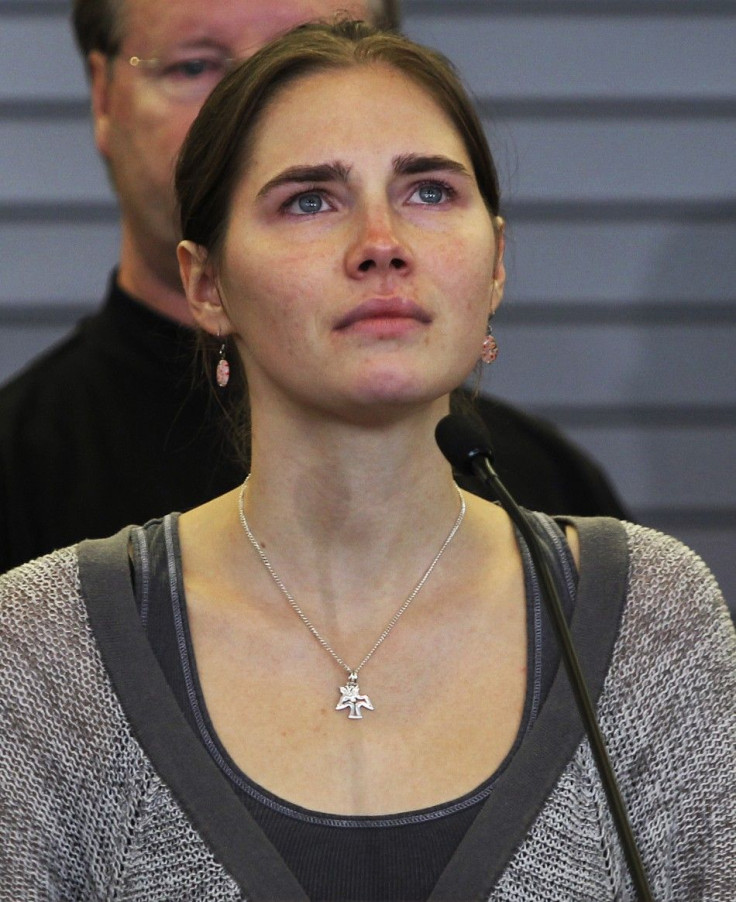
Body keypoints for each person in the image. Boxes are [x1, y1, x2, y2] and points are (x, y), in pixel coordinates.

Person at [1, 21, 733, 900]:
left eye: (429, 192)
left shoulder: (654, 617)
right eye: (310, 199)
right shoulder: (46, 646)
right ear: (207, 285)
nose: (382, 243)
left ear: (496, 262)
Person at [0, 0, 628, 575]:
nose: (381, 244)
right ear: (103, 97)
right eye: (197, 66)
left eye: (430, 192)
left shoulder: (561, 508)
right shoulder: (27, 512)